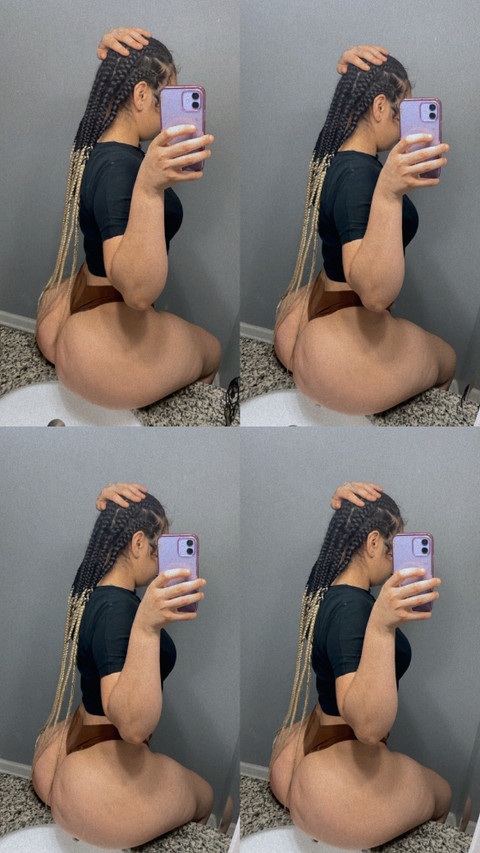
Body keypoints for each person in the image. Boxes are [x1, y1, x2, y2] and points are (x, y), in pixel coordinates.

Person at [36, 28, 221, 409]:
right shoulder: (124, 169)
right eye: (167, 98)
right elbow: (137, 294)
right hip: (111, 317)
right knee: (213, 351)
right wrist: (150, 189)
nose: (171, 114)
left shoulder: (100, 143)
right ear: (140, 95)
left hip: (83, 290)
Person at [269, 480, 451, 849]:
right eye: (394, 546)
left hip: (308, 740)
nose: (398, 560)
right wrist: (382, 627)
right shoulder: (355, 607)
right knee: (443, 794)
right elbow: (368, 728)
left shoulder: (330, 590)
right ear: (372, 543)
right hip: (338, 770)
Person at [274, 46, 456, 416]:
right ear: (379, 107)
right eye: (402, 111)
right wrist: (389, 194)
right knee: (448, 359)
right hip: (340, 337)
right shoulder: (363, 175)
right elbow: (373, 294)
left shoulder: (336, 155)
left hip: (313, 303)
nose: (405, 125)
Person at [31, 482, 213, 849]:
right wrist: (147, 628)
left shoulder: (97, 591)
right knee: (206, 796)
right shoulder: (121, 610)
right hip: (101, 765)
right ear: (138, 543)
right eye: (159, 547)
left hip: (74, 736)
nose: (162, 561)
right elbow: (131, 727)